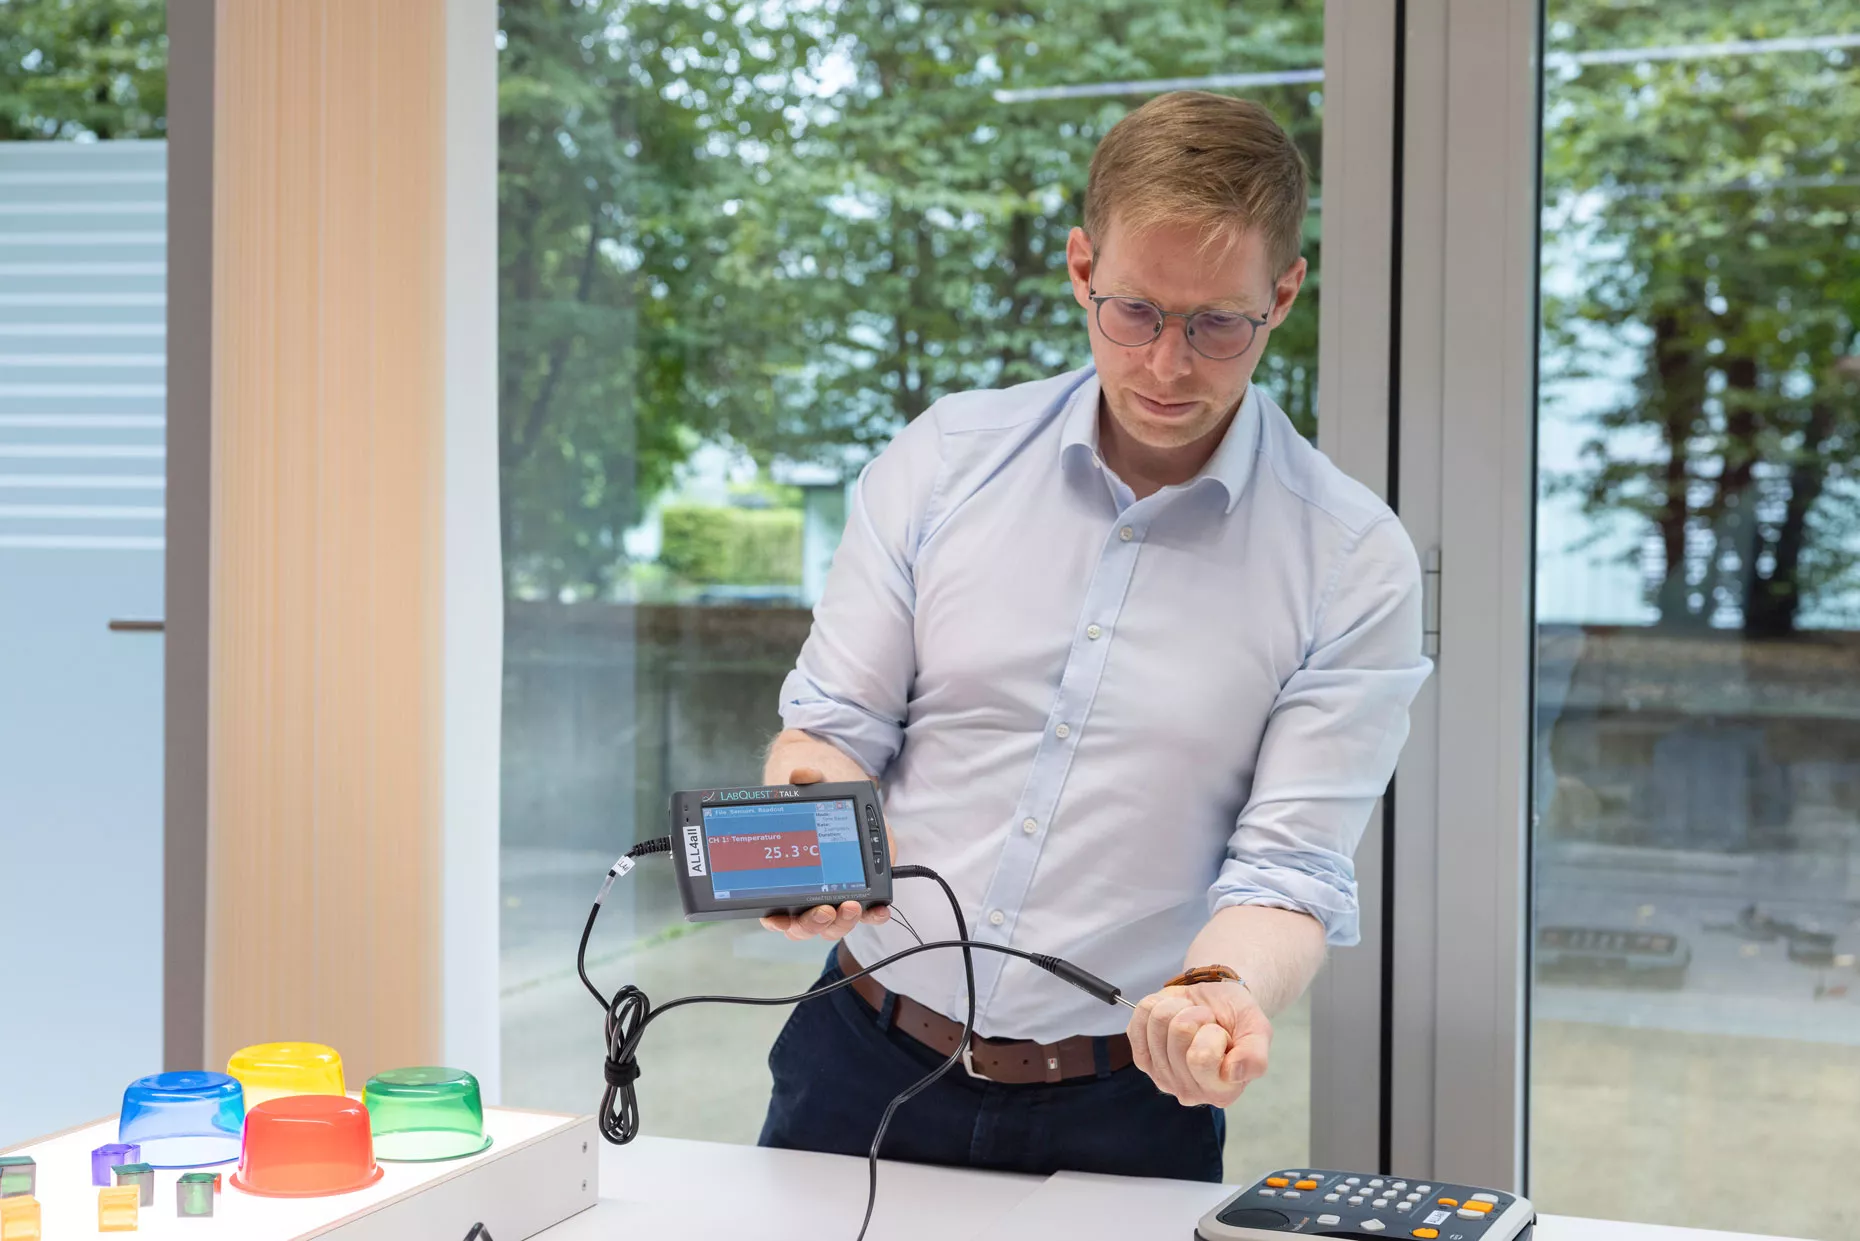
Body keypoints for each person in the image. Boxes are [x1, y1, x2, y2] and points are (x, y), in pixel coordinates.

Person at [755, 90, 1431, 1182]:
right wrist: (804, 826)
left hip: (1130, 1105)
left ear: (1285, 294)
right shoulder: (943, 463)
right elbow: (833, 729)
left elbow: (1291, 868)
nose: (1169, 366)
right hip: (855, 1058)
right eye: (1135, 312)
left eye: (1218, 324)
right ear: (1081, 269)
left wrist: (1220, 997)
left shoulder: (1352, 558)